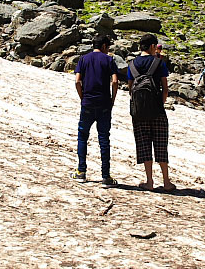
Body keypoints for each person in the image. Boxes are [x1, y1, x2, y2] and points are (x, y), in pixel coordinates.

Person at [127, 33, 175, 192]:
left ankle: (149, 181)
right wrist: (160, 103)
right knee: (161, 145)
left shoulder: (132, 64)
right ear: (153, 46)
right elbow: (165, 89)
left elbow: (130, 88)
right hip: (157, 111)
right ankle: (166, 182)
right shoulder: (159, 63)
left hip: (139, 112)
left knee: (144, 145)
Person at [72, 35, 119, 185]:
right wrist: (112, 100)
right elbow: (115, 81)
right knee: (104, 139)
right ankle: (106, 176)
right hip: (104, 103)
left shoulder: (83, 59)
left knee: (83, 136)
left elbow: (77, 81)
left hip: (88, 102)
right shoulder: (109, 60)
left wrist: (82, 97)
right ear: (104, 46)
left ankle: (81, 172)